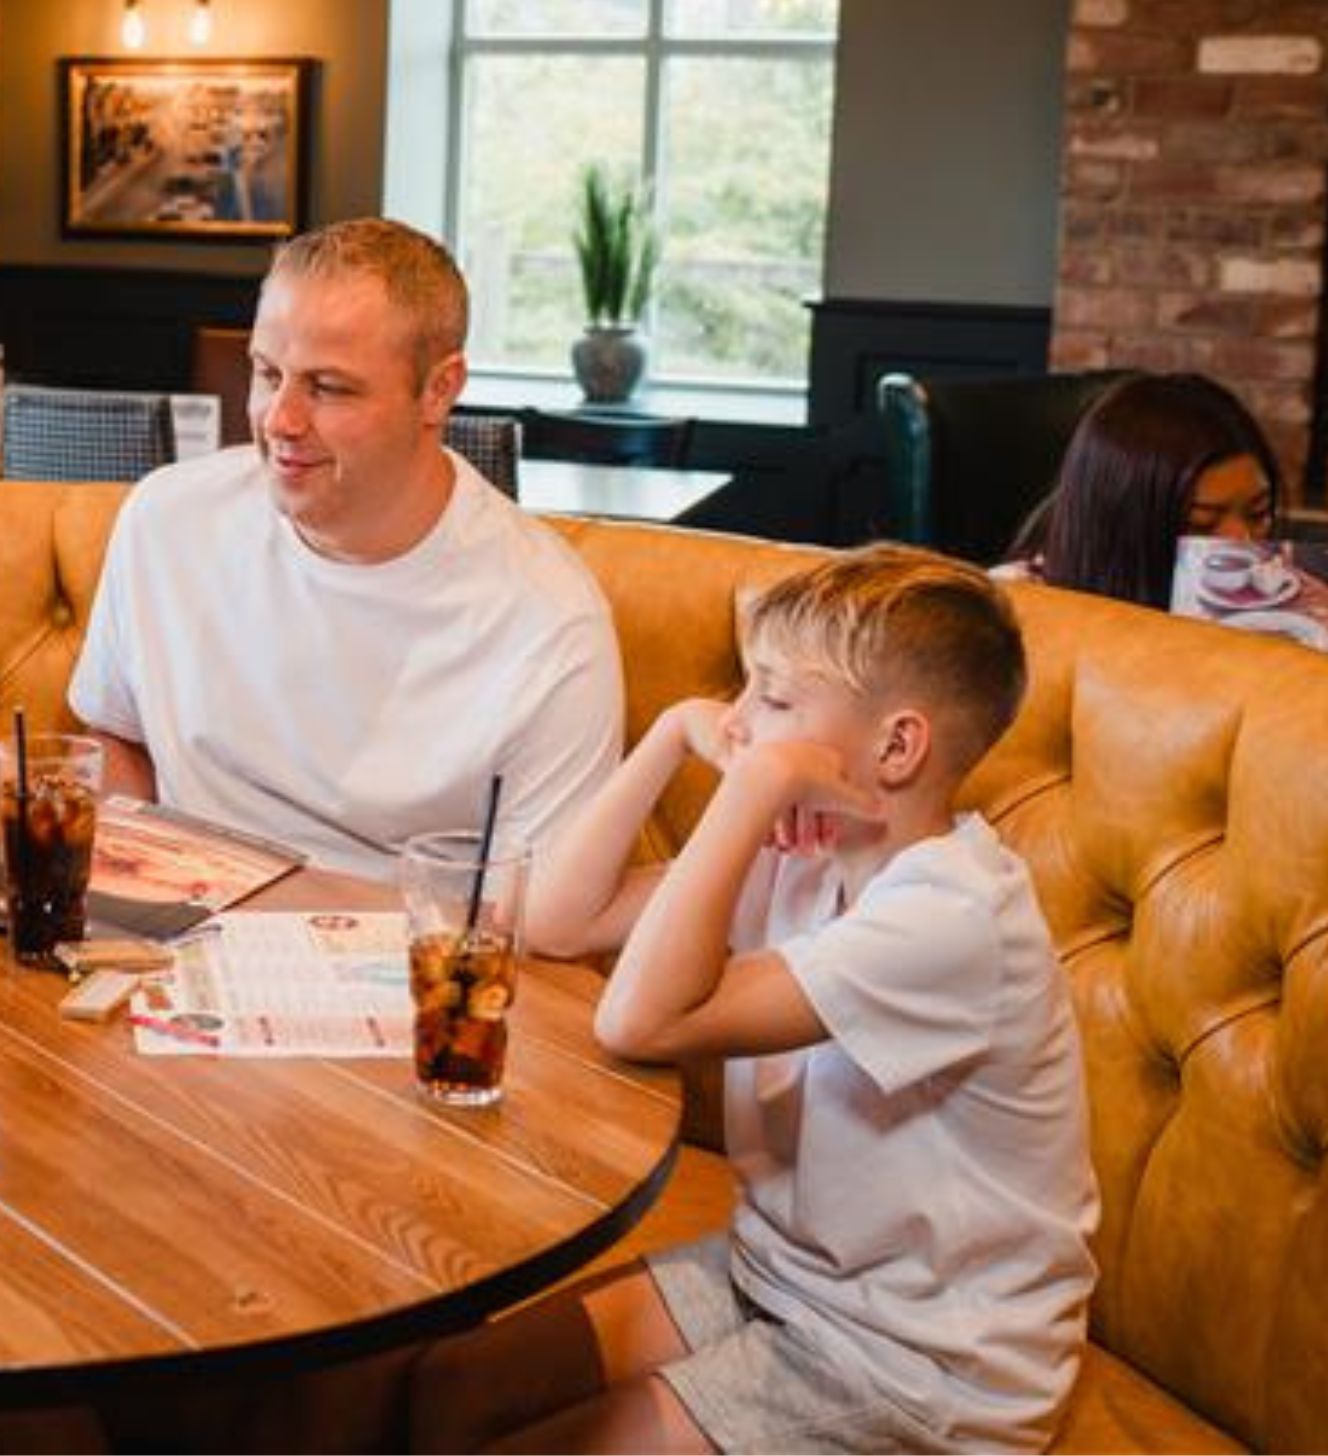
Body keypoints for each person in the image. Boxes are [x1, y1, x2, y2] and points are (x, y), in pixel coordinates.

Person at [412, 546, 1095, 1452]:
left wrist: (758, 785)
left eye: (771, 699)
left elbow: (639, 1021)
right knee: (446, 1392)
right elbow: (560, 923)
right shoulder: (808, 854)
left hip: (914, 1364)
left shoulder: (952, 915)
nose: (734, 724)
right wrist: (670, 734)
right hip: (772, 1272)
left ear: (896, 747)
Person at [67, 217, 623, 880]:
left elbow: (537, 911)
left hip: (397, 940)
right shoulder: (166, 519)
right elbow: (118, 737)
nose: (279, 420)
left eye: (328, 388)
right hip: (180, 918)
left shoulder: (549, 621)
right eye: (267, 373)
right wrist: (129, 884)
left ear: (439, 390)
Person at [1002, 371, 1280, 609]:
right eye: (1200, 524)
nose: (1243, 544)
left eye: (1258, 513)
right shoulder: (1017, 611)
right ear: (1120, 525)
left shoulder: (1271, 596)